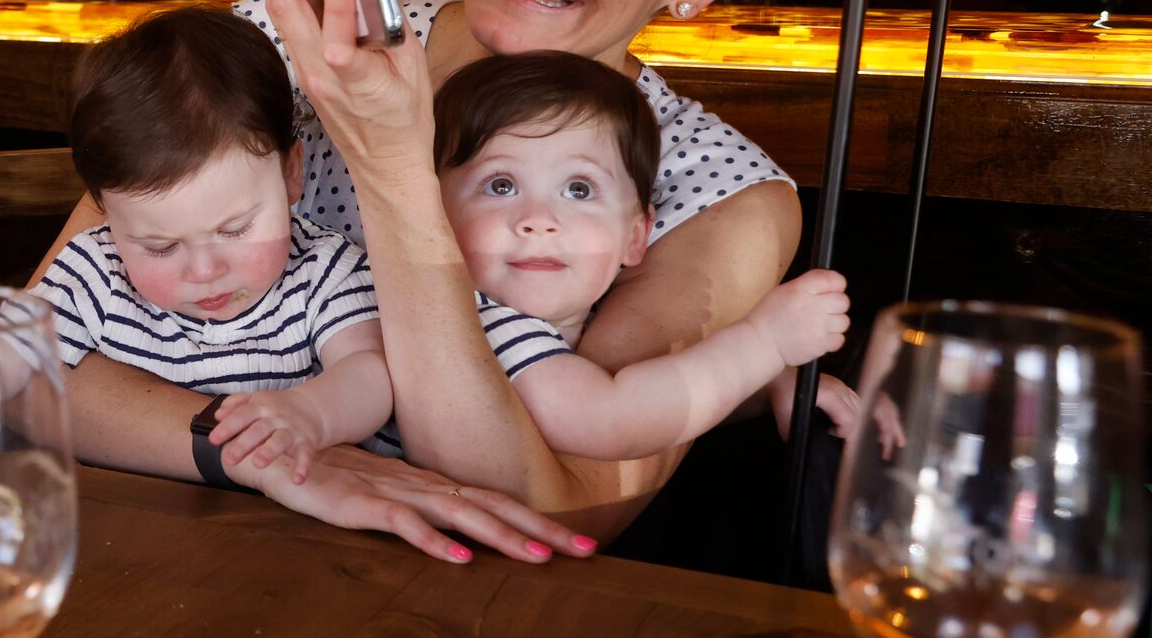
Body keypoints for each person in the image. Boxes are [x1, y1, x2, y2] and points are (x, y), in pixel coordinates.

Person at [46, 0, 849, 559]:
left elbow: (558, 507)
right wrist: (270, 455)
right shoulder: (275, 48)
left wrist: (394, 169)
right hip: (165, 561)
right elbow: (30, 364)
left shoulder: (715, 189)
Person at [208, 49, 858, 475]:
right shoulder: (495, 325)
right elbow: (612, 416)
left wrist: (763, 385)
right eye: (500, 186)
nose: (538, 218)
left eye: (578, 190)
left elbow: (642, 391)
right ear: (437, 216)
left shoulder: (543, 338)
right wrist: (766, 343)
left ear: (637, 238)